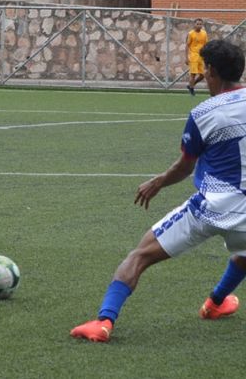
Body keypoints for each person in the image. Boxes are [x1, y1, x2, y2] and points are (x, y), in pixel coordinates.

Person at [71, 39, 246, 343]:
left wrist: (156, 183)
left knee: (139, 255)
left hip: (212, 207)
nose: (203, 75)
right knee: (244, 254)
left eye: (205, 69)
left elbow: (185, 167)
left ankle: (103, 322)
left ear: (213, 72)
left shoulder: (204, 113)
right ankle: (216, 303)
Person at [186, 18, 209, 96]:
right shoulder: (191, 34)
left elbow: (206, 45)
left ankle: (191, 85)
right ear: (194, 24)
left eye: (200, 24)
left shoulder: (204, 33)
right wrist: (186, 57)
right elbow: (187, 46)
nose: (199, 25)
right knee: (193, 74)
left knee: (203, 75)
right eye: (197, 24)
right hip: (193, 56)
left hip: (201, 57)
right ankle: (192, 90)